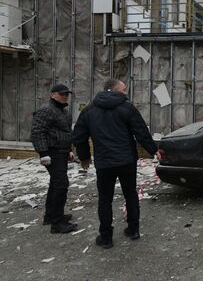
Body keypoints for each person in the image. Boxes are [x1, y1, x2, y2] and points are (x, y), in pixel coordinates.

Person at [72, 79, 159, 249]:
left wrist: (84, 156)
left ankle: (106, 238)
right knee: (131, 194)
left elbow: (79, 136)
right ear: (112, 90)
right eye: (123, 89)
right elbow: (140, 131)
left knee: (105, 200)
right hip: (126, 161)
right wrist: (153, 149)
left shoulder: (89, 110)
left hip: (104, 163)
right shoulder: (127, 108)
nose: (126, 92)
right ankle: (133, 229)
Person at [31, 83, 78, 234]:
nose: (65, 96)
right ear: (53, 94)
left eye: (66, 94)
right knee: (61, 184)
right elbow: (37, 132)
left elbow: (65, 133)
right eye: (61, 94)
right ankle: (57, 223)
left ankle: (50, 215)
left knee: (55, 183)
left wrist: (69, 150)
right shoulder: (46, 110)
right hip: (52, 152)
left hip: (61, 152)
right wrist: (43, 153)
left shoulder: (62, 111)